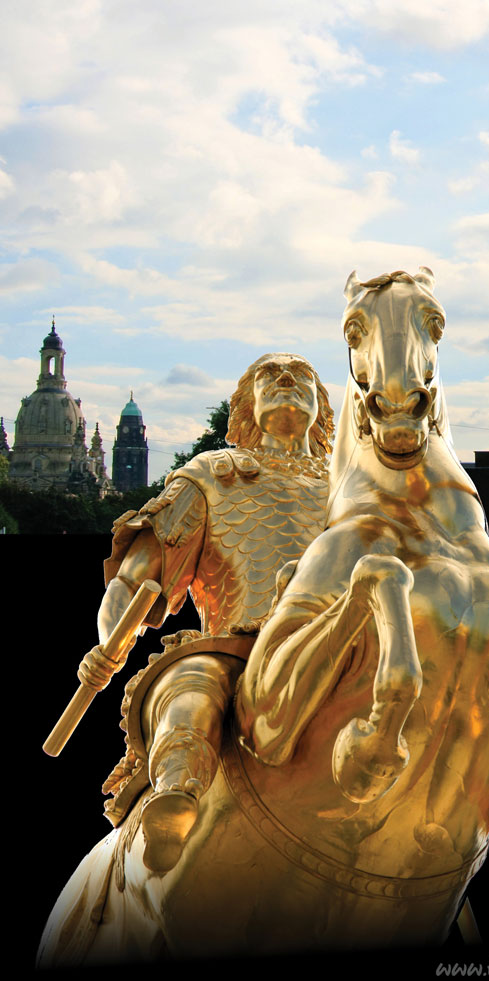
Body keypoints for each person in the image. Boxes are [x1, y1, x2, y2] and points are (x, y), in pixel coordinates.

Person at [78, 352, 334, 873]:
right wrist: (112, 641)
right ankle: (177, 792)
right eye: (269, 374)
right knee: (193, 679)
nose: (287, 378)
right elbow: (133, 579)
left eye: (303, 375)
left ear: (323, 407)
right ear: (244, 407)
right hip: (241, 649)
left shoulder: (357, 485)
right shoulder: (210, 476)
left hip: (350, 646)